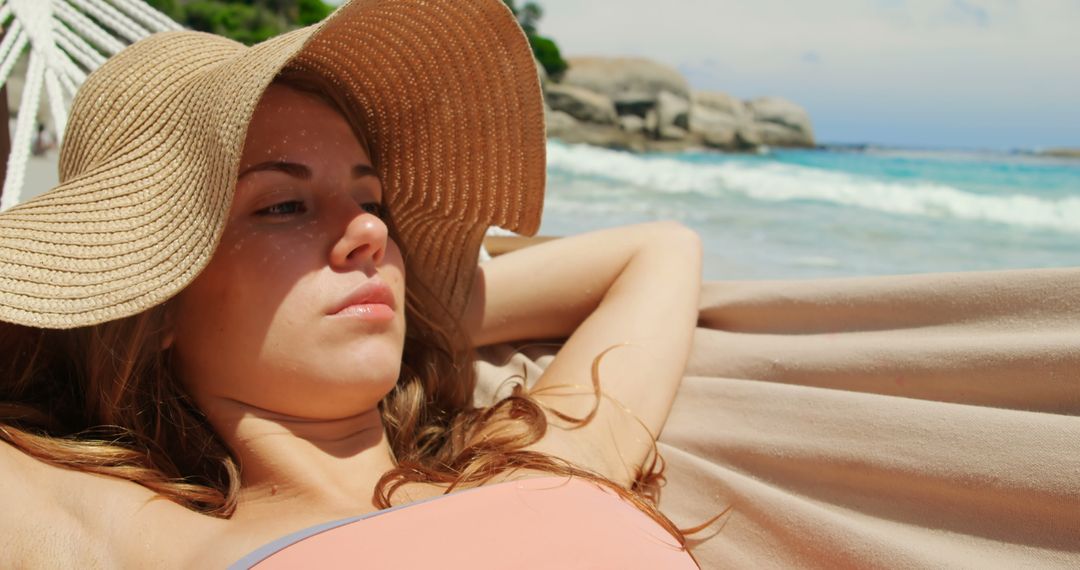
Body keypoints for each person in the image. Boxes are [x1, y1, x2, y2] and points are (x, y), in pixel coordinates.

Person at [0, 0, 703, 567]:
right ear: (157, 306)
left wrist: (418, 315)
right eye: (282, 206)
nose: (371, 235)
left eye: (373, 205)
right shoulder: (127, 538)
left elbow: (660, 249)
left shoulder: (547, 457)